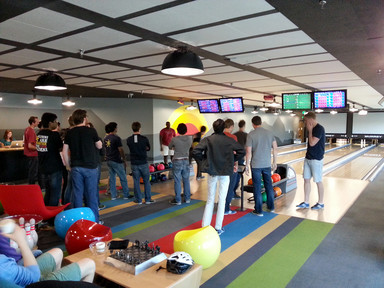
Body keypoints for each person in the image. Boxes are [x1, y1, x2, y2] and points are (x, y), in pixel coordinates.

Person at [0, 222, 95, 287]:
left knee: (57, 252)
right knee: (89, 264)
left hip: (16, 273)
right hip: (31, 282)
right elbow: (33, 276)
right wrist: (21, 241)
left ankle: (53, 280)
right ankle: (52, 281)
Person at [192, 119, 244, 235]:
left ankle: (205, 227)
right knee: (222, 200)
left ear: (214, 128)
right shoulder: (229, 140)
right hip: (225, 173)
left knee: (210, 200)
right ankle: (218, 227)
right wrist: (231, 160)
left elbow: (196, 151)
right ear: (223, 128)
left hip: (212, 172)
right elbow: (241, 151)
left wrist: (204, 162)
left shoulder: (208, 139)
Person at [62, 109, 102, 223]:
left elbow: (65, 151)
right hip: (90, 167)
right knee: (91, 195)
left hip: (76, 167)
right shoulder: (91, 131)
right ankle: (94, 221)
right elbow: (99, 146)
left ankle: (79, 221)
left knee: (77, 195)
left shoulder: (70, 132)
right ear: (84, 118)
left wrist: (68, 165)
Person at [245, 116, 277, 217]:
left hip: (256, 165)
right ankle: (271, 207)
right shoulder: (270, 133)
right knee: (269, 186)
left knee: (257, 188)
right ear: (261, 122)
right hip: (267, 164)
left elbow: (248, 152)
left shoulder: (251, 135)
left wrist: (246, 165)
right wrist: (275, 162)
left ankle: (258, 211)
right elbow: (275, 149)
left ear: (253, 124)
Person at [296, 111, 325, 210]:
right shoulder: (311, 128)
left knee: (318, 181)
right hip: (308, 158)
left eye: (306, 121)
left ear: (311, 120)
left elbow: (312, 143)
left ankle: (321, 203)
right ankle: (306, 202)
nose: (305, 123)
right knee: (306, 180)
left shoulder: (319, 129)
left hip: (316, 159)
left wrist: (310, 130)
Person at [36, 113, 63, 207]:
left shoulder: (39, 134)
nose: (57, 123)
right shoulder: (54, 135)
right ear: (50, 123)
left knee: (48, 192)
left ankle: (46, 213)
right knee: (55, 193)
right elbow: (61, 147)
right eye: (55, 121)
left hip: (43, 167)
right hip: (54, 167)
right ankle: (52, 217)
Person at [126, 122, 154, 205]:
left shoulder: (129, 139)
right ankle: (148, 199)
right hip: (143, 162)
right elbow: (148, 148)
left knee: (136, 181)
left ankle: (139, 200)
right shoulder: (144, 139)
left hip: (134, 163)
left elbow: (131, 146)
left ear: (132, 128)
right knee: (146, 181)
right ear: (139, 128)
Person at [104, 122, 132, 200]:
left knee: (112, 178)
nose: (117, 128)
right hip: (116, 160)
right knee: (123, 177)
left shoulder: (105, 138)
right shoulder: (116, 138)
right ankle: (126, 195)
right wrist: (124, 159)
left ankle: (114, 195)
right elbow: (120, 149)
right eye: (116, 127)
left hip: (109, 160)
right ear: (114, 128)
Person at [168, 123, 193, 205]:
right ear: (186, 130)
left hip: (177, 160)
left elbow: (169, 146)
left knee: (177, 181)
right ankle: (187, 198)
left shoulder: (174, 139)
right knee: (186, 180)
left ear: (178, 130)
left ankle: (178, 200)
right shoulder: (190, 138)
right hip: (186, 160)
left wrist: (175, 147)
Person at [232, 120, 248, 198]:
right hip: (241, 158)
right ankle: (233, 192)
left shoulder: (234, 134)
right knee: (238, 176)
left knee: (233, 175)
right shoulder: (246, 135)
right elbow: (246, 147)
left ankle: (231, 191)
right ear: (244, 126)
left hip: (233, 157)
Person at [24, 116, 39, 184]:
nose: (38, 122)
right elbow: (30, 146)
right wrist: (39, 148)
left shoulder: (27, 129)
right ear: (33, 123)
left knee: (31, 172)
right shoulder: (31, 132)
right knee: (33, 172)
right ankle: (32, 187)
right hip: (33, 155)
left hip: (29, 155)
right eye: (37, 121)